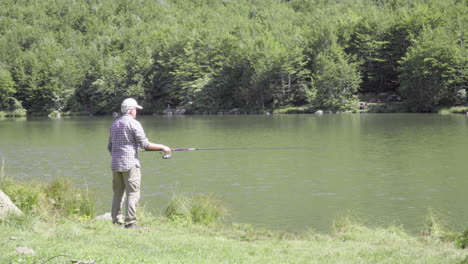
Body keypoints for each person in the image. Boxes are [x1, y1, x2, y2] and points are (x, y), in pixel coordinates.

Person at [108, 98, 171, 228]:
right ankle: (130, 223)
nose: (136, 111)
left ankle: (116, 221)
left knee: (118, 193)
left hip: (115, 164)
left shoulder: (114, 124)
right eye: (135, 109)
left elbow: (110, 146)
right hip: (130, 164)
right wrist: (163, 147)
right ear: (131, 110)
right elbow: (145, 145)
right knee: (133, 193)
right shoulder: (134, 123)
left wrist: (122, 153)